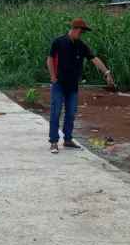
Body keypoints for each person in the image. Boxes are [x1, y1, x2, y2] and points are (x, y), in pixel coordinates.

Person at [46, 18, 114, 154]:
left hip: (72, 86)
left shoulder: (81, 45)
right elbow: (50, 59)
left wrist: (106, 72)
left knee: (71, 113)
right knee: (56, 112)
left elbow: (94, 59)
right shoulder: (58, 42)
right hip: (59, 84)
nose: (81, 34)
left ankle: (68, 139)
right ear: (75, 29)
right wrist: (53, 77)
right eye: (81, 32)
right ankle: (53, 142)